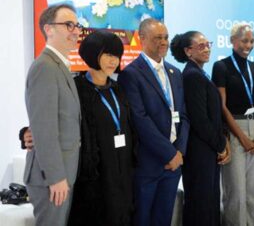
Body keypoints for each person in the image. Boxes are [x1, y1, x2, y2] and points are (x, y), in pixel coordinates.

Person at [117, 18, 190, 226]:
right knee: (142, 219)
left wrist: (180, 152)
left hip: (174, 163)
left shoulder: (175, 73)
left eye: (166, 37)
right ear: (142, 39)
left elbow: (183, 114)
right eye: (158, 37)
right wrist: (169, 153)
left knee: (164, 219)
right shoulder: (131, 74)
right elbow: (140, 120)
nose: (164, 42)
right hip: (149, 163)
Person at [67, 30, 136, 226]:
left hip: (122, 169)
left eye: (116, 55)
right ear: (92, 53)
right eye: (107, 54)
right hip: (95, 172)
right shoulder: (77, 88)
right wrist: (28, 132)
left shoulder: (118, 88)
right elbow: (58, 119)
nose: (113, 61)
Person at [24, 4, 82, 226]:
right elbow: (44, 128)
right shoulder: (45, 67)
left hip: (62, 174)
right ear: (49, 29)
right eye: (68, 25)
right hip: (51, 178)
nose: (76, 31)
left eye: (76, 25)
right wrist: (56, 176)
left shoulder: (59, 66)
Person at [170, 31, 231, 226]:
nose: (207, 49)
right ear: (188, 51)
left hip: (208, 149)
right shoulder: (191, 76)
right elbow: (199, 119)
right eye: (201, 46)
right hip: (199, 151)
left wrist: (222, 141)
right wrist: (220, 144)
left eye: (208, 44)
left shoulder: (199, 73)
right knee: (201, 205)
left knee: (210, 202)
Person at [212, 23, 254, 226]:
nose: (249, 45)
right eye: (244, 40)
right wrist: (241, 137)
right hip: (234, 128)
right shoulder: (221, 66)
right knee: (236, 193)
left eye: (252, 41)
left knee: (253, 193)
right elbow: (222, 106)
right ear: (232, 41)